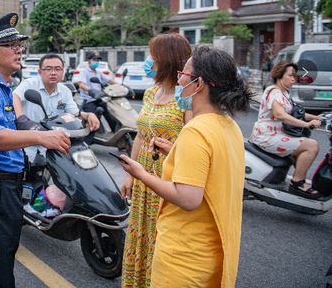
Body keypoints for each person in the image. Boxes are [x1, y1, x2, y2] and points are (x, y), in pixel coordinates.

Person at [120, 45, 252, 288]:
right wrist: (175, 151)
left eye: (185, 74)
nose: (180, 79)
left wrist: (140, 174)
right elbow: (212, 172)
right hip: (210, 253)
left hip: (183, 260)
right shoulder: (228, 126)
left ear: (199, 84)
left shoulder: (195, 131)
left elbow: (189, 198)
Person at [0, 13, 70, 288]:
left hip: (3, 185)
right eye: (10, 44)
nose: (18, 49)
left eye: (19, 44)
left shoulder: (1, 87)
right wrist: (40, 138)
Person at [120, 33, 192, 288]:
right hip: (143, 180)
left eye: (153, 57)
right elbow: (141, 134)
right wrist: (130, 173)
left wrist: (173, 148)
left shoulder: (187, 98)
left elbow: (196, 142)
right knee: (141, 233)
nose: (149, 62)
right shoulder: (151, 93)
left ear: (168, 60)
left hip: (169, 179)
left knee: (162, 238)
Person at [250, 62, 322, 197]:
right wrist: (306, 124)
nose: (294, 79)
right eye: (290, 75)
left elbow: (296, 113)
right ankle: (297, 183)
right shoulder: (274, 92)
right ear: (279, 75)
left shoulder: (284, 93)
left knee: (305, 143)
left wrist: (318, 117)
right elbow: (280, 115)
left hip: (277, 134)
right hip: (267, 136)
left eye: (295, 76)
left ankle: (299, 178)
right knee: (311, 146)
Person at [13, 53, 100, 162]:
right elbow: (14, 97)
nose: (53, 73)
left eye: (57, 69)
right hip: (27, 144)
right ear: (40, 72)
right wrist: (22, 119)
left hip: (54, 145)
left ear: (63, 72)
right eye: (48, 69)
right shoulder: (29, 84)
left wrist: (88, 115)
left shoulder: (65, 91)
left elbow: (74, 113)